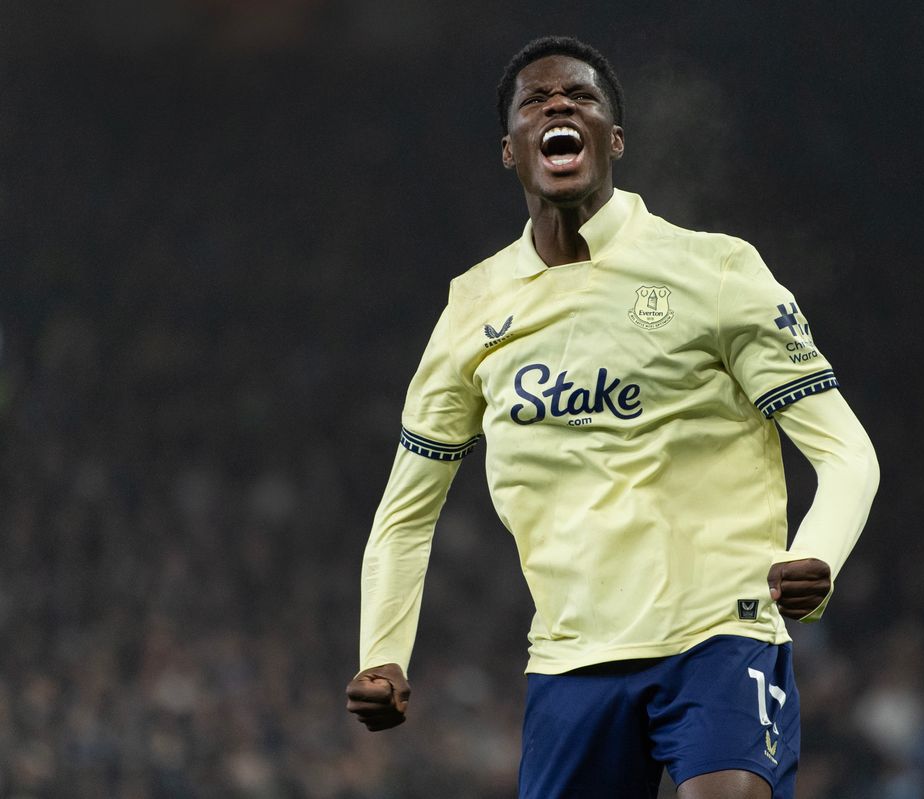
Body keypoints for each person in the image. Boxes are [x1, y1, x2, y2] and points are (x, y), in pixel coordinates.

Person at [345, 35, 879, 799]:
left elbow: (848, 452)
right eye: (535, 101)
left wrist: (818, 555)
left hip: (719, 636)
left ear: (614, 139)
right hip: (570, 661)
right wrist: (382, 652)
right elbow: (406, 514)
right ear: (510, 149)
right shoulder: (473, 307)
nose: (558, 105)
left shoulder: (717, 270)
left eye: (581, 97)